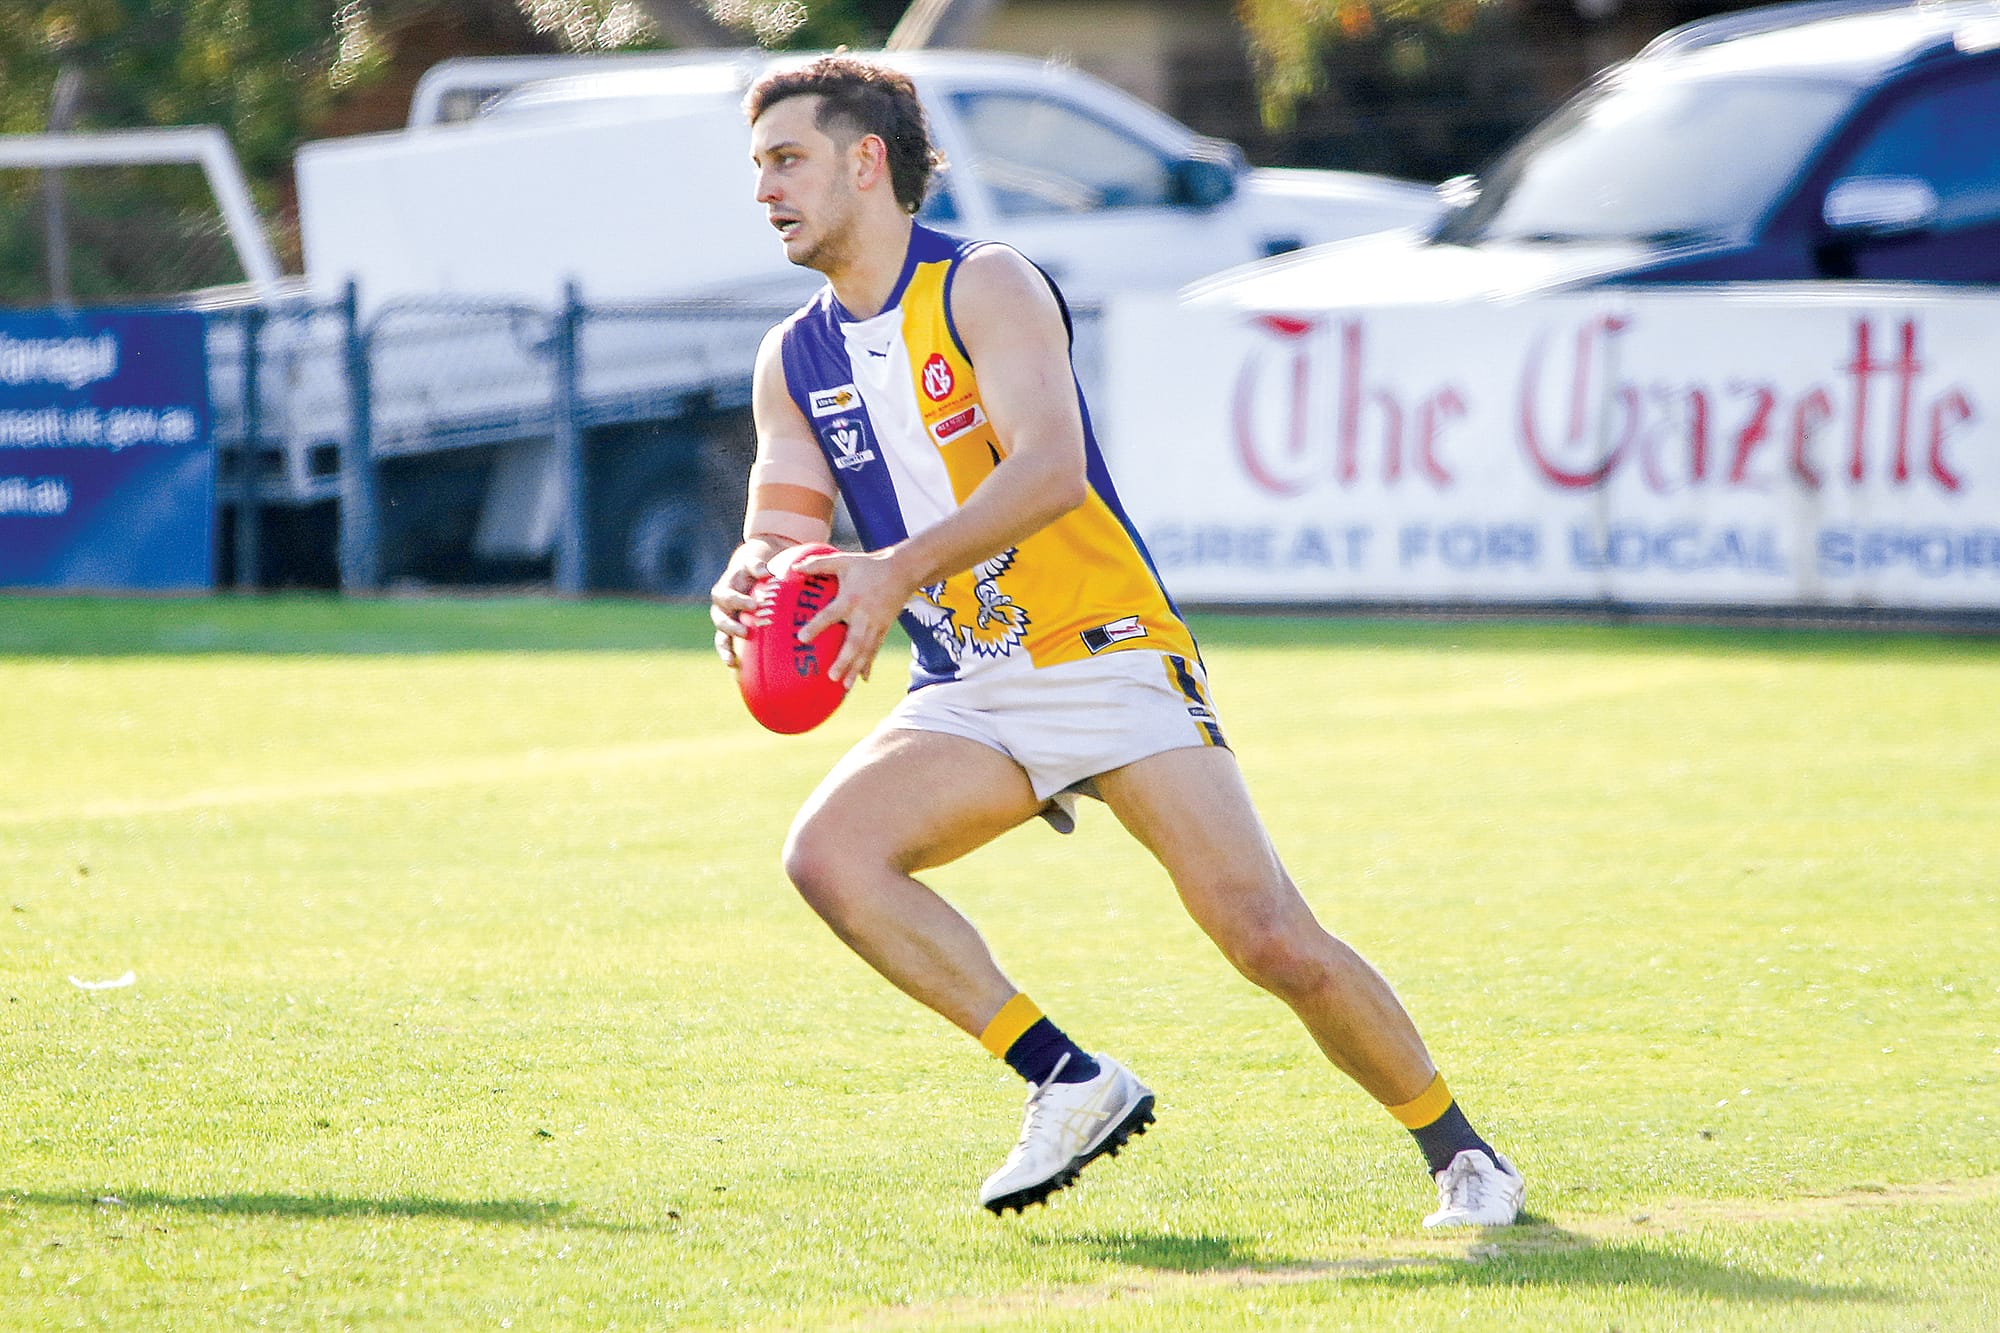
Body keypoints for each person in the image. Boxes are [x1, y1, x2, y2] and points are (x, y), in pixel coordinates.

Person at [709, 54, 1525, 1227]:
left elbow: (1047, 469)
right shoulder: (791, 359)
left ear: (864, 162)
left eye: (785, 161)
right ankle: (1065, 1079)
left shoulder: (984, 285)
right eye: (757, 169)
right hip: (970, 681)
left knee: (1267, 939)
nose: (765, 191)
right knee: (828, 858)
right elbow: (779, 524)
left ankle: (1462, 1154)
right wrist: (747, 584)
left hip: (1105, 650)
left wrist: (891, 572)